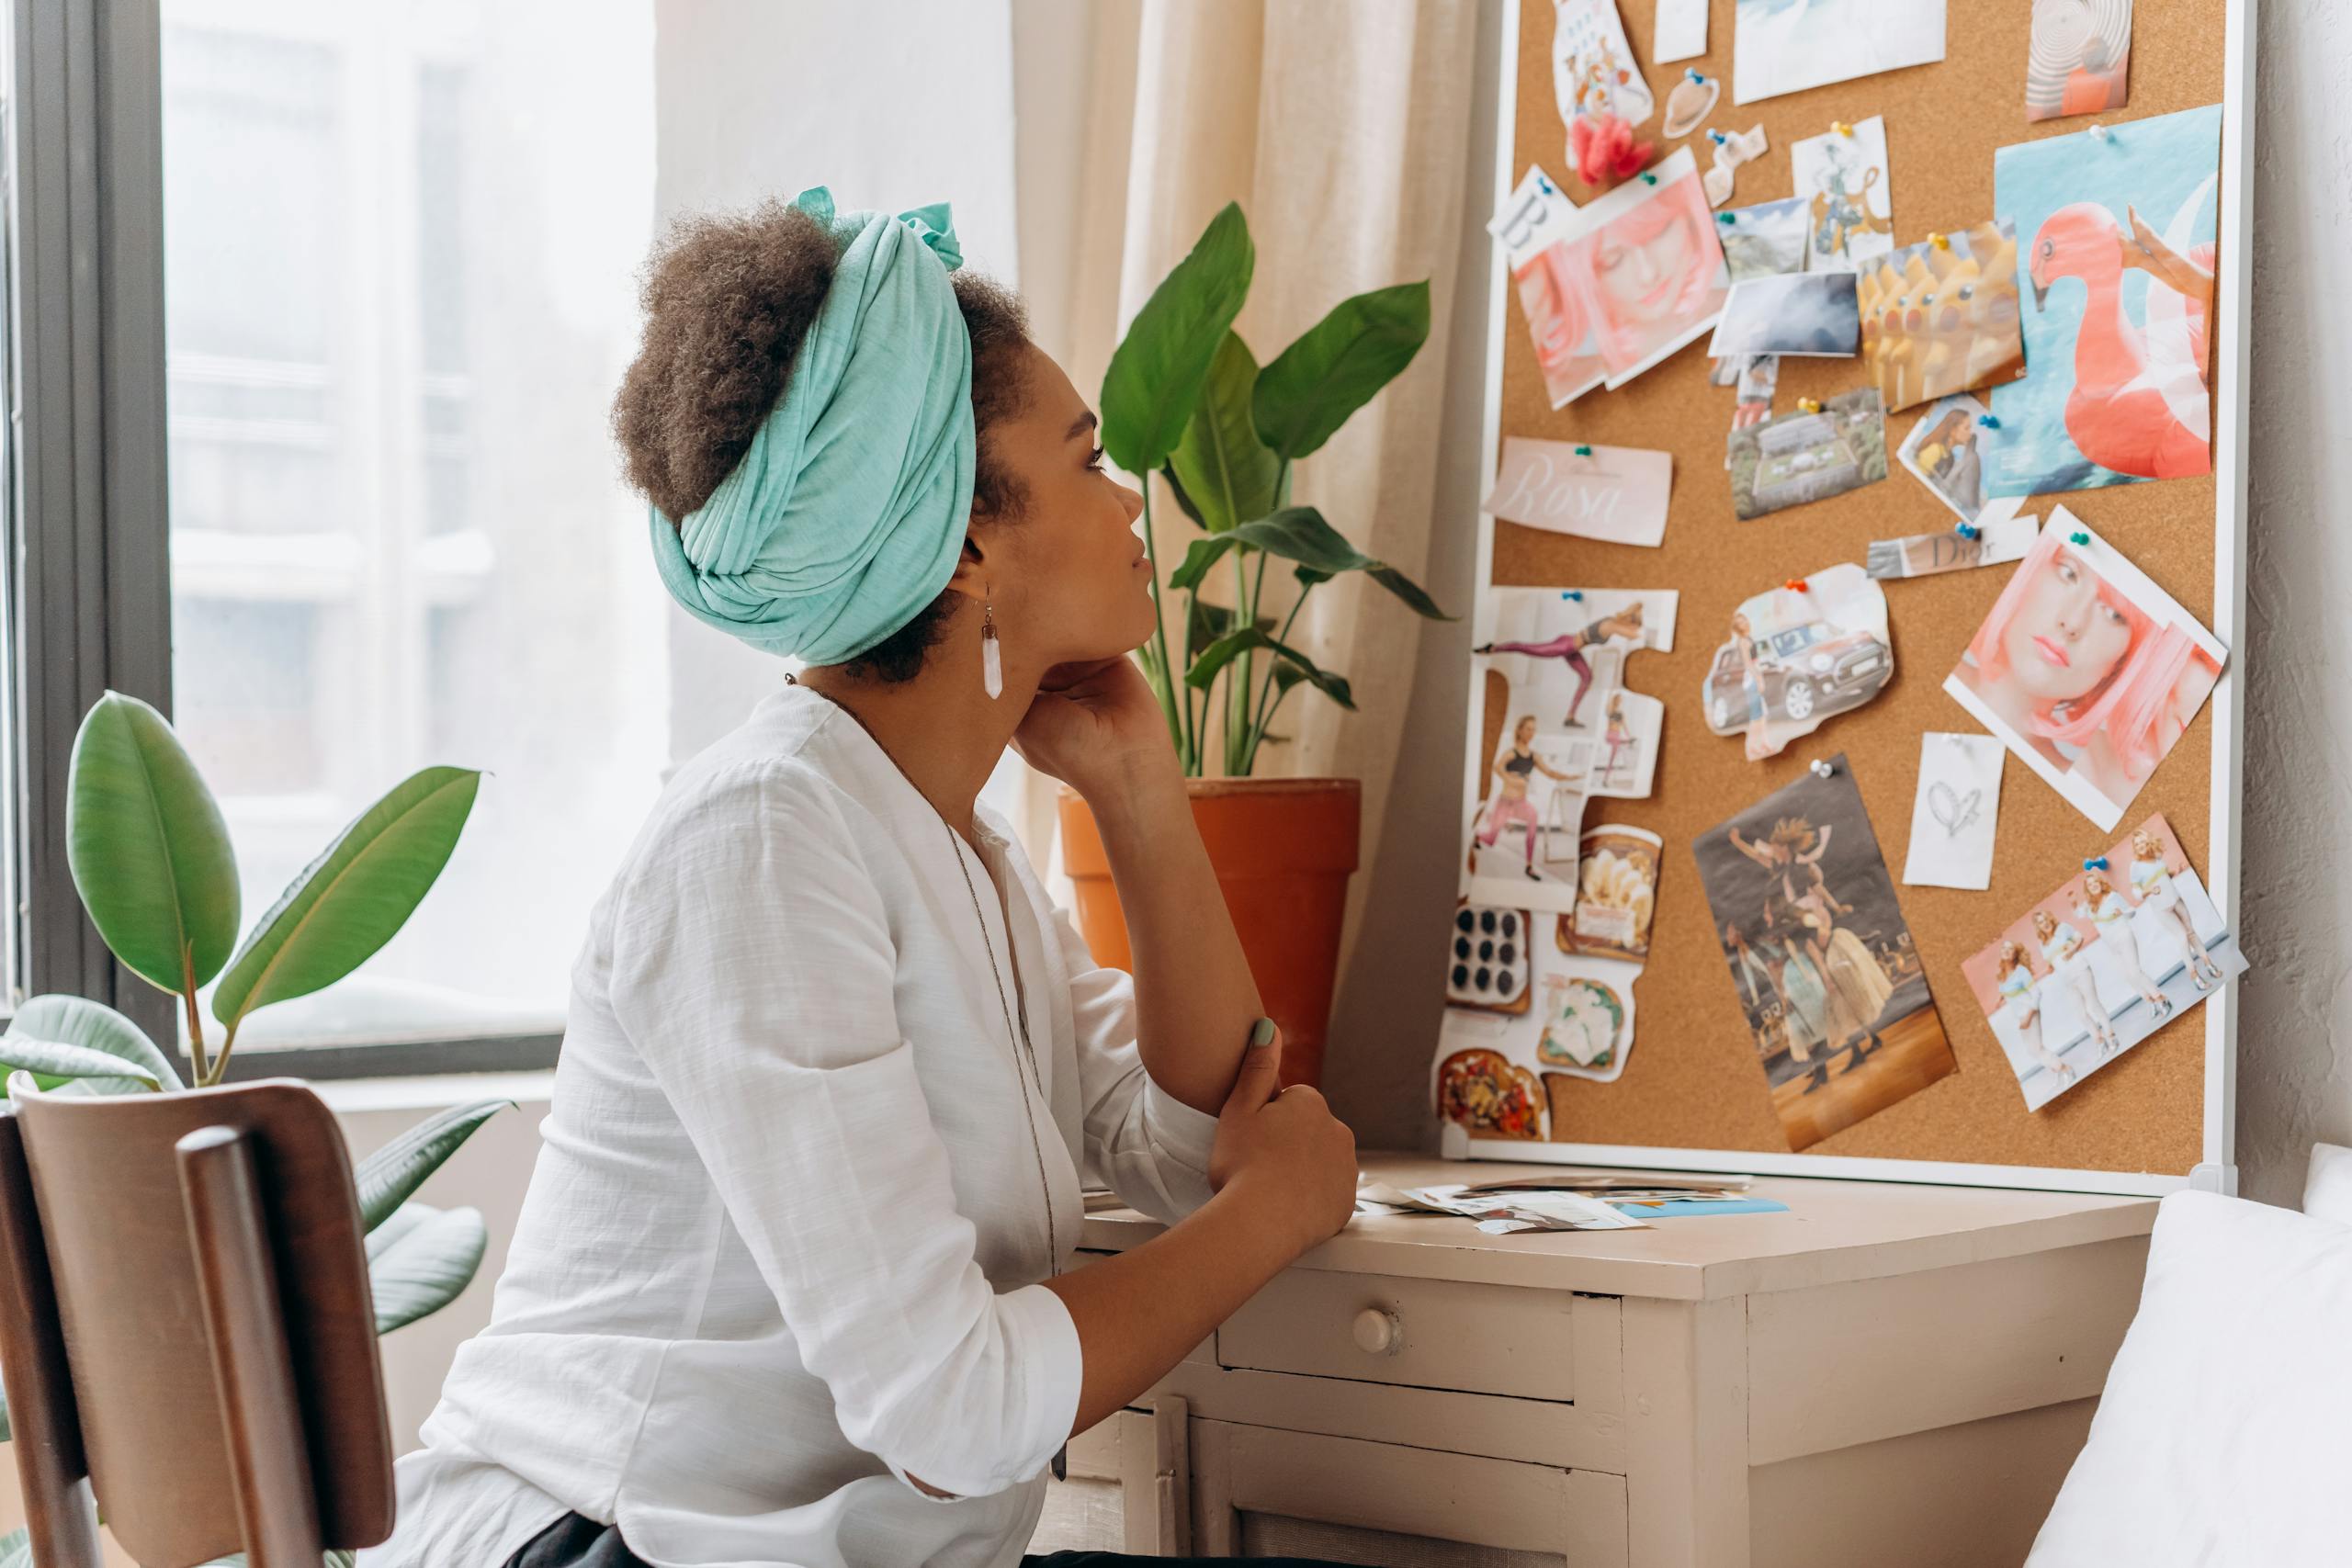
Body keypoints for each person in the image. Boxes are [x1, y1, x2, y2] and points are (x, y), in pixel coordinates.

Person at [364, 188, 1360, 1568]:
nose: (1129, 500)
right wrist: (1276, 1215)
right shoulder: (760, 844)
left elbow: (1190, 1141)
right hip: (610, 1544)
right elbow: (950, 1407)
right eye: (1085, 463)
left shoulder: (954, 847)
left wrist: (1141, 794)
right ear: (964, 543)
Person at [1952, 528, 2221, 805]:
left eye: (2114, 614)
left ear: (2120, 662)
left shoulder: (2098, 793)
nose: (2072, 623)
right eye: (2068, 573)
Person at [1474, 601, 1645, 727]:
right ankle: (1493, 648)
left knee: (1587, 677)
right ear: (1630, 622)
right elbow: (1632, 635)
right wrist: (1639, 629)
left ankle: (1569, 717)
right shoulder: (1610, 625)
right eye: (1634, 624)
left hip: (1571, 647)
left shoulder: (1612, 622)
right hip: (1566, 645)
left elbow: (1629, 630)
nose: (1632, 628)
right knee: (1528, 648)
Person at [1474, 715, 1577, 879]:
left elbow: (1550, 772)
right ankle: (1477, 837)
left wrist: (1572, 778)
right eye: (1528, 729)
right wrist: (1513, 779)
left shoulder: (1534, 756)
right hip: (1505, 803)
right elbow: (1497, 767)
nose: (1531, 733)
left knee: (1533, 817)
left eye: (1534, 729)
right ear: (1520, 731)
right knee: (1490, 839)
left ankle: (1529, 866)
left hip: (1520, 804)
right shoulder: (1511, 753)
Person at [2129, 827, 2230, 989]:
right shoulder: (2135, 866)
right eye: (2137, 844)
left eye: (2142, 842)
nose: (2140, 846)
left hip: (2176, 900)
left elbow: (2162, 875)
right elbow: (2135, 892)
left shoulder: (2156, 855)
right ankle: (2195, 976)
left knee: (2191, 933)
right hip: (2161, 909)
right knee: (2182, 938)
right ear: (2135, 848)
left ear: (2147, 842)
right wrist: (2148, 891)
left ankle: (2209, 964)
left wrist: (2174, 872)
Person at [2073, 866, 2170, 1021]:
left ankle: (2161, 998)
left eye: (2095, 882)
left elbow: (2132, 912)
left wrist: (2122, 913)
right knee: (2128, 976)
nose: (2094, 886)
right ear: (2088, 890)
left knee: (2135, 971)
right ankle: (2149, 1001)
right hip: (2112, 945)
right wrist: (2073, 903)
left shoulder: (2112, 896)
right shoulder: (2090, 906)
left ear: (2100, 882)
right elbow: (2078, 914)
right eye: (2090, 885)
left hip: (2124, 936)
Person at [2033, 906, 2120, 1062]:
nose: (2044, 923)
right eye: (2040, 922)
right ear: (2038, 926)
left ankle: (2111, 1036)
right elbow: (2052, 961)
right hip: (2067, 981)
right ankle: (2100, 1041)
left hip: (2081, 970)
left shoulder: (2063, 928)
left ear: (2050, 918)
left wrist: (2072, 950)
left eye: (2046, 919)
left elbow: (2079, 938)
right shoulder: (2043, 944)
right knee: (2081, 1014)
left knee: (2093, 1005)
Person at [1993, 939, 2075, 1088]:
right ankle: (2056, 1070)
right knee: (2032, 1051)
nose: (2006, 950)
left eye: (2010, 949)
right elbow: (2007, 989)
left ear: (2015, 955)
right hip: (2020, 1016)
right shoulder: (2001, 976)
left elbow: (2036, 993)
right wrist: (2000, 998)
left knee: (2037, 1048)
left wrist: (2028, 1018)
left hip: (2030, 1013)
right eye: (2004, 948)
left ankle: (2066, 1069)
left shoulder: (2021, 972)